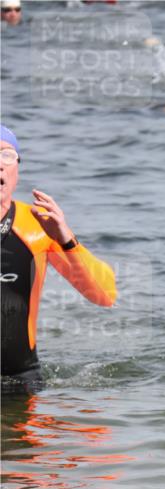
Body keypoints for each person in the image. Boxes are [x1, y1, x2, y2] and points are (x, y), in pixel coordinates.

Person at [1, 125, 117, 393]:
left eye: (7, 156)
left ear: (17, 168)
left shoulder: (38, 226)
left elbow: (104, 295)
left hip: (20, 382)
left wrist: (66, 239)